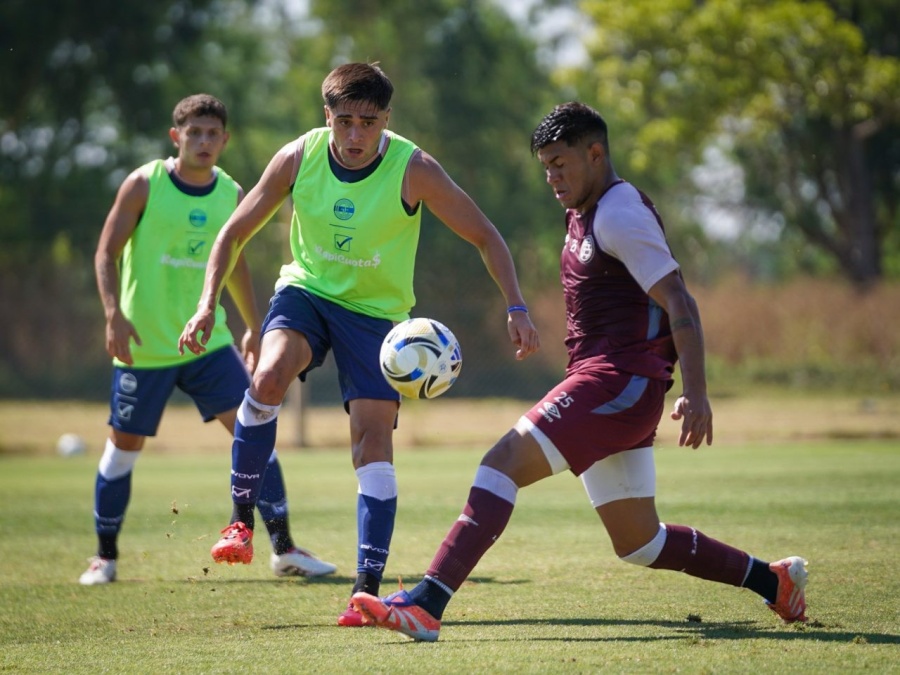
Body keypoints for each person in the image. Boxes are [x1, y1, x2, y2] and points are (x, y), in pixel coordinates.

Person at [350, 102, 809, 641]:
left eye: (561, 164)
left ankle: (428, 602)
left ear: (596, 154)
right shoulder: (585, 213)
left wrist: (699, 391)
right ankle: (773, 581)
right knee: (640, 542)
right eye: (545, 167)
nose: (552, 177)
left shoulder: (618, 212)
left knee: (500, 463)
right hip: (617, 384)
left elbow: (679, 301)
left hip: (619, 381)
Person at [178, 63, 540, 626]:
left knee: (371, 442)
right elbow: (233, 231)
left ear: (385, 120)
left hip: (377, 318)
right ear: (327, 117)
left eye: (366, 123)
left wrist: (516, 305)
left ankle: (364, 591)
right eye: (342, 121)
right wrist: (207, 304)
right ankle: (240, 521)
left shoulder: (413, 168)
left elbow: (484, 234)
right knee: (267, 377)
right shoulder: (299, 157)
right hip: (307, 293)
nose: (353, 136)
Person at [80, 94, 336, 585]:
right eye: (193, 132)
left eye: (212, 133)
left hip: (208, 343)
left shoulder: (230, 192)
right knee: (122, 450)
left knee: (255, 430)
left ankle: (284, 549)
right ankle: (105, 558)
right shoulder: (144, 184)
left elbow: (235, 261)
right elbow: (105, 252)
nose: (203, 141)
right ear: (176, 137)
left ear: (225, 139)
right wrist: (113, 315)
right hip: (146, 346)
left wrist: (253, 326)